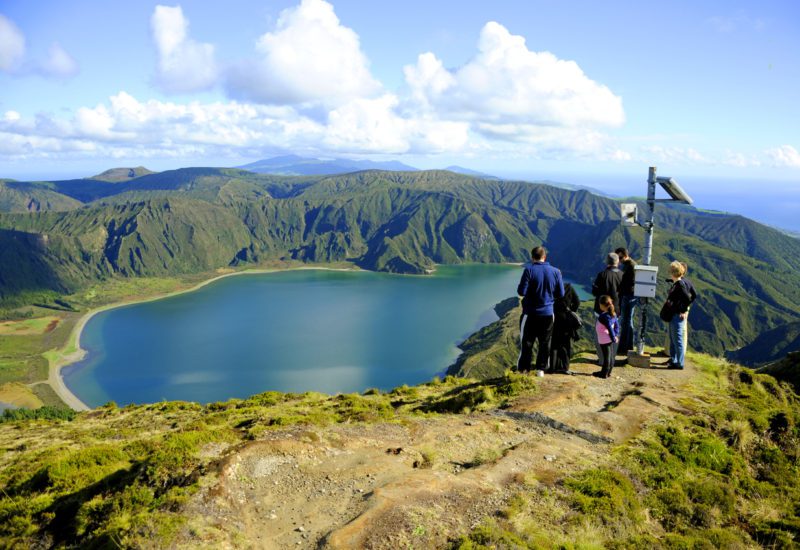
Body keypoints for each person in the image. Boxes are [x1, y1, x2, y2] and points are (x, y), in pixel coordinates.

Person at [516, 246, 565, 376]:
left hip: (530, 313)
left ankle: (524, 370)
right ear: (545, 257)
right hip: (548, 314)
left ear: (532, 257)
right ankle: (540, 370)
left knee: (527, 342)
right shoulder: (556, 272)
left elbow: (521, 291)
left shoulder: (529, 270)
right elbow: (561, 293)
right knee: (545, 342)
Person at [663, 261, 696, 370]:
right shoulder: (680, 282)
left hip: (677, 315)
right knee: (674, 339)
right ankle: (674, 360)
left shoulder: (680, 285)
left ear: (673, 272)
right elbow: (693, 295)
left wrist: (684, 310)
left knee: (677, 339)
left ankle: (679, 363)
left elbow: (687, 298)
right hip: (675, 315)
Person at [592, 252, 623, 363]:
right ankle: (611, 360)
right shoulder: (622, 275)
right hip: (615, 311)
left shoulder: (602, 275)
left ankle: (602, 360)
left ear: (607, 262)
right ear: (617, 262)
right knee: (614, 332)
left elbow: (594, 292)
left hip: (600, 311)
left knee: (600, 333)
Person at [550, 282, 581, 375]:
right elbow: (577, 302)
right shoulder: (569, 287)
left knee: (554, 344)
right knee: (566, 344)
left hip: (554, 318)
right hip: (566, 319)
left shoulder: (551, 287)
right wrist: (571, 310)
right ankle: (565, 367)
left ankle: (552, 367)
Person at [615, 247, 638, 356]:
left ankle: (623, 348)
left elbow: (628, 283)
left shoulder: (631, 266)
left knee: (625, 322)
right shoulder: (628, 265)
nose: (619, 260)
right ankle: (628, 346)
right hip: (629, 295)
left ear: (625, 255)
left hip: (628, 296)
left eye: (620, 258)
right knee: (628, 321)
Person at [595, 295, 619, 378]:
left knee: (606, 357)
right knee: (610, 356)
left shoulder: (604, 316)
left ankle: (603, 374)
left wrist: (613, 337)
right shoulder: (613, 314)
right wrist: (615, 335)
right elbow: (616, 326)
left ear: (602, 305)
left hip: (604, 339)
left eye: (600, 304)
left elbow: (609, 327)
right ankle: (608, 372)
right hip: (609, 338)